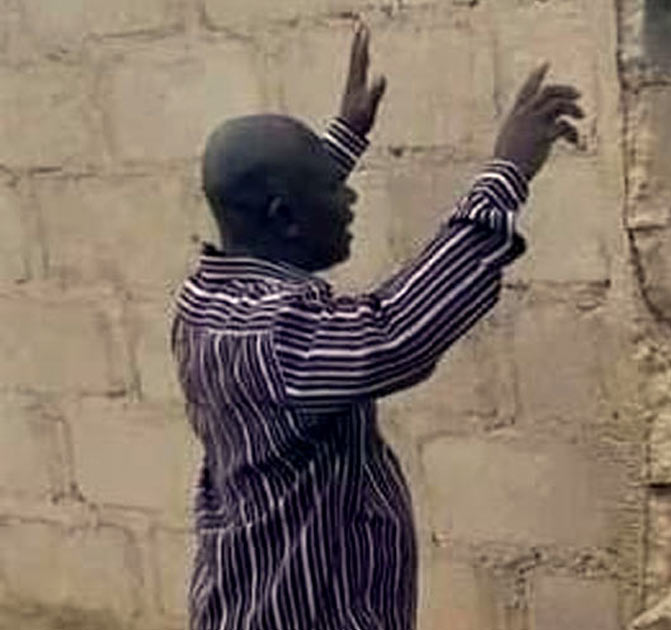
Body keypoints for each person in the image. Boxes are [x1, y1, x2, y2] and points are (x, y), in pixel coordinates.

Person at [172, 21, 582, 630]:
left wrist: (341, 142)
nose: (350, 201)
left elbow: (280, 206)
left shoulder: (210, 295)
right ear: (286, 215)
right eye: (333, 189)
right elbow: (394, 333)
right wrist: (506, 175)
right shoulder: (267, 336)